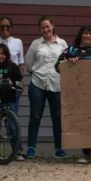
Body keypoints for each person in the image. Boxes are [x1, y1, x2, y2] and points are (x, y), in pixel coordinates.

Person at [55, 25, 91, 165]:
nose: (88, 36)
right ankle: (86, 154)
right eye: (85, 34)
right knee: (85, 122)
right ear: (81, 35)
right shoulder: (71, 50)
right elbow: (57, 66)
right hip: (80, 94)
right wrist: (69, 62)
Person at [24, 16, 68, 159]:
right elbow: (29, 65)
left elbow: (67, 63)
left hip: (56, 84)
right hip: (38, 83)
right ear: (40, 29)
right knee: (35, 116)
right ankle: (31, 148)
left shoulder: (62, 44)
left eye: (47, 26)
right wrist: (39, 72)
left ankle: (59, 148)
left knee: (57, 117)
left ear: (52, 26)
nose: (45, 29)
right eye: (42, 27)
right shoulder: (36, 44)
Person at [0, 16, 25, 160]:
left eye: (8, 26)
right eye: (2, 26)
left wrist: (21, 83)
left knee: (12, 122)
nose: (5, 29)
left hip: (11, 88)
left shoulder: (18, 42)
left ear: (12, 27)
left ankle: (17, 151)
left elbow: (20, 64)